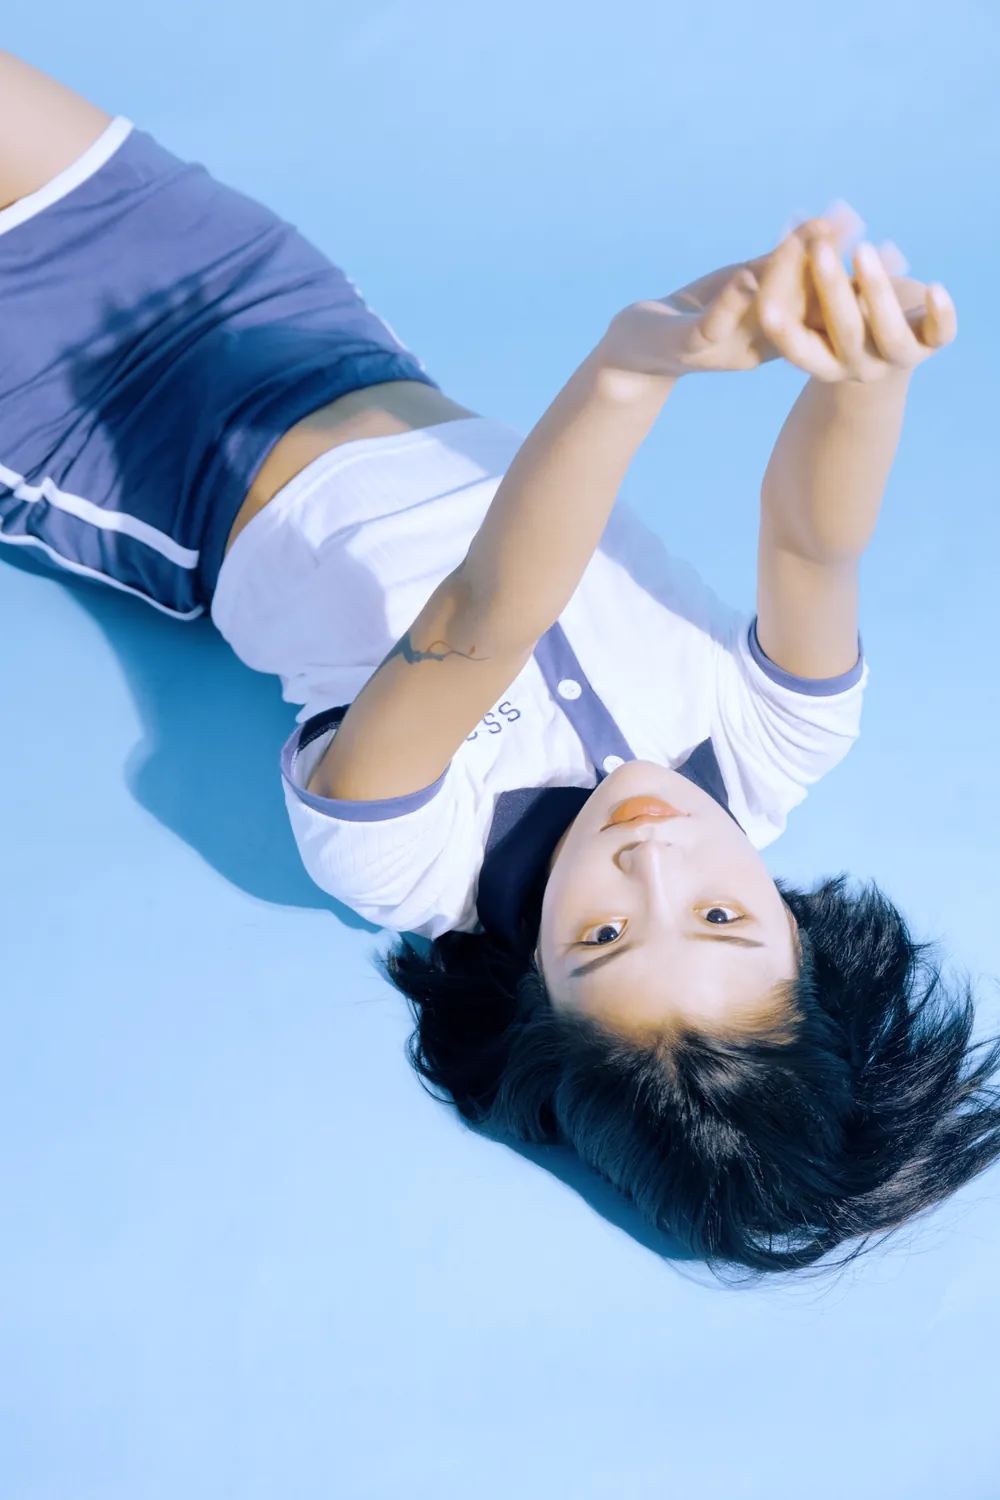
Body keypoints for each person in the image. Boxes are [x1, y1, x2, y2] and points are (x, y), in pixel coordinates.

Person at [4, 51, 999, 1274]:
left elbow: (478, 618)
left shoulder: (409, 861)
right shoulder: (776, 742)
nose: (649, 863)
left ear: (534, 988)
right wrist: (869, 374)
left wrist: (634, 366)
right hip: (297, 316)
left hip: (102, 437)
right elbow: (810, 544)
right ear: (799, 938)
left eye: (602, 938)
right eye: (719, 916)